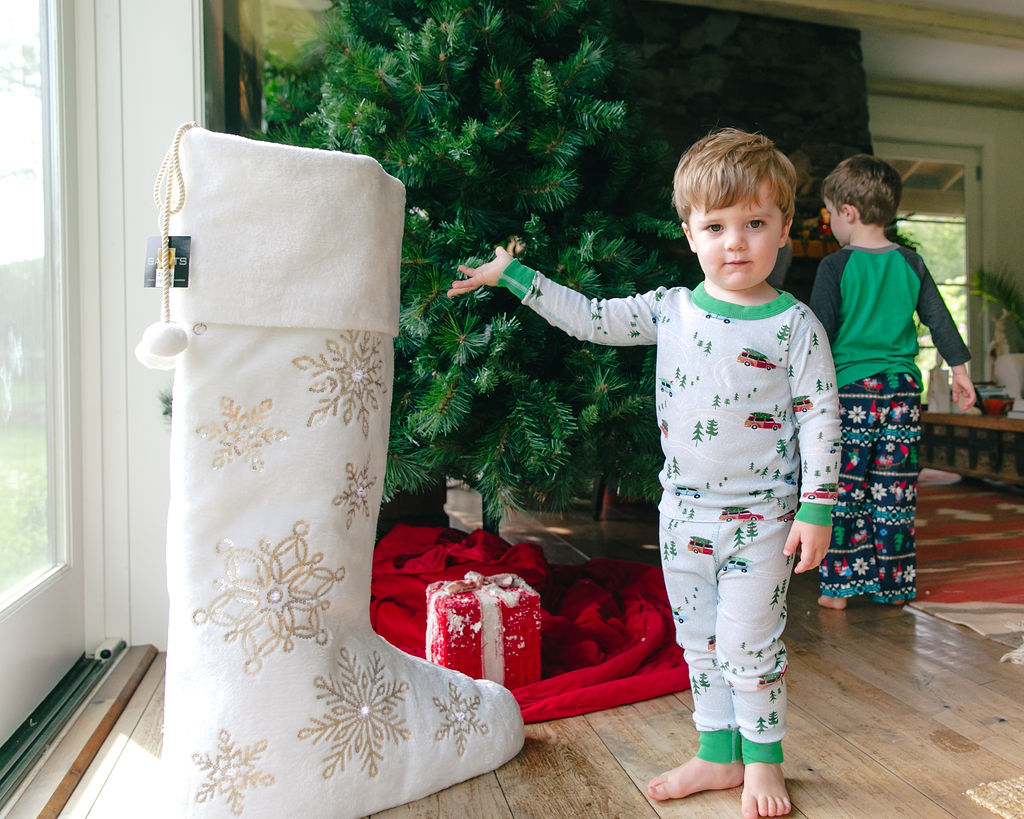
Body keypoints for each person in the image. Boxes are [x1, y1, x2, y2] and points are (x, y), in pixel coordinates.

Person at [449, 128, 841, 819]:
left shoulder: (794, 326)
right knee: (700, 642)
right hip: (683, 515)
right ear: (690, 232)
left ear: (783, 228)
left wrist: (817, 506)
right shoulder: (672, 309)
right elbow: (590, 319)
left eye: (755, 223)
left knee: (751, 643)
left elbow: (819, 416)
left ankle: (764, 758)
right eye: (717, 226)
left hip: (764, 520)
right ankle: (718, 754)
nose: (736, 241)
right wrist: (514, 275)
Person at [809, 154, 976, 610]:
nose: (831, 225)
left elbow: (818, 334)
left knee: (846, 486)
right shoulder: (911, 262)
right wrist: (961, 373)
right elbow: (939, 321)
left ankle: (840, 589)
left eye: (829, 214)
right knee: (894, 487)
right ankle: (894, 586)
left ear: (848, 212)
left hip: (852, 392)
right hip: (902, 390)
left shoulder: (835, 267)